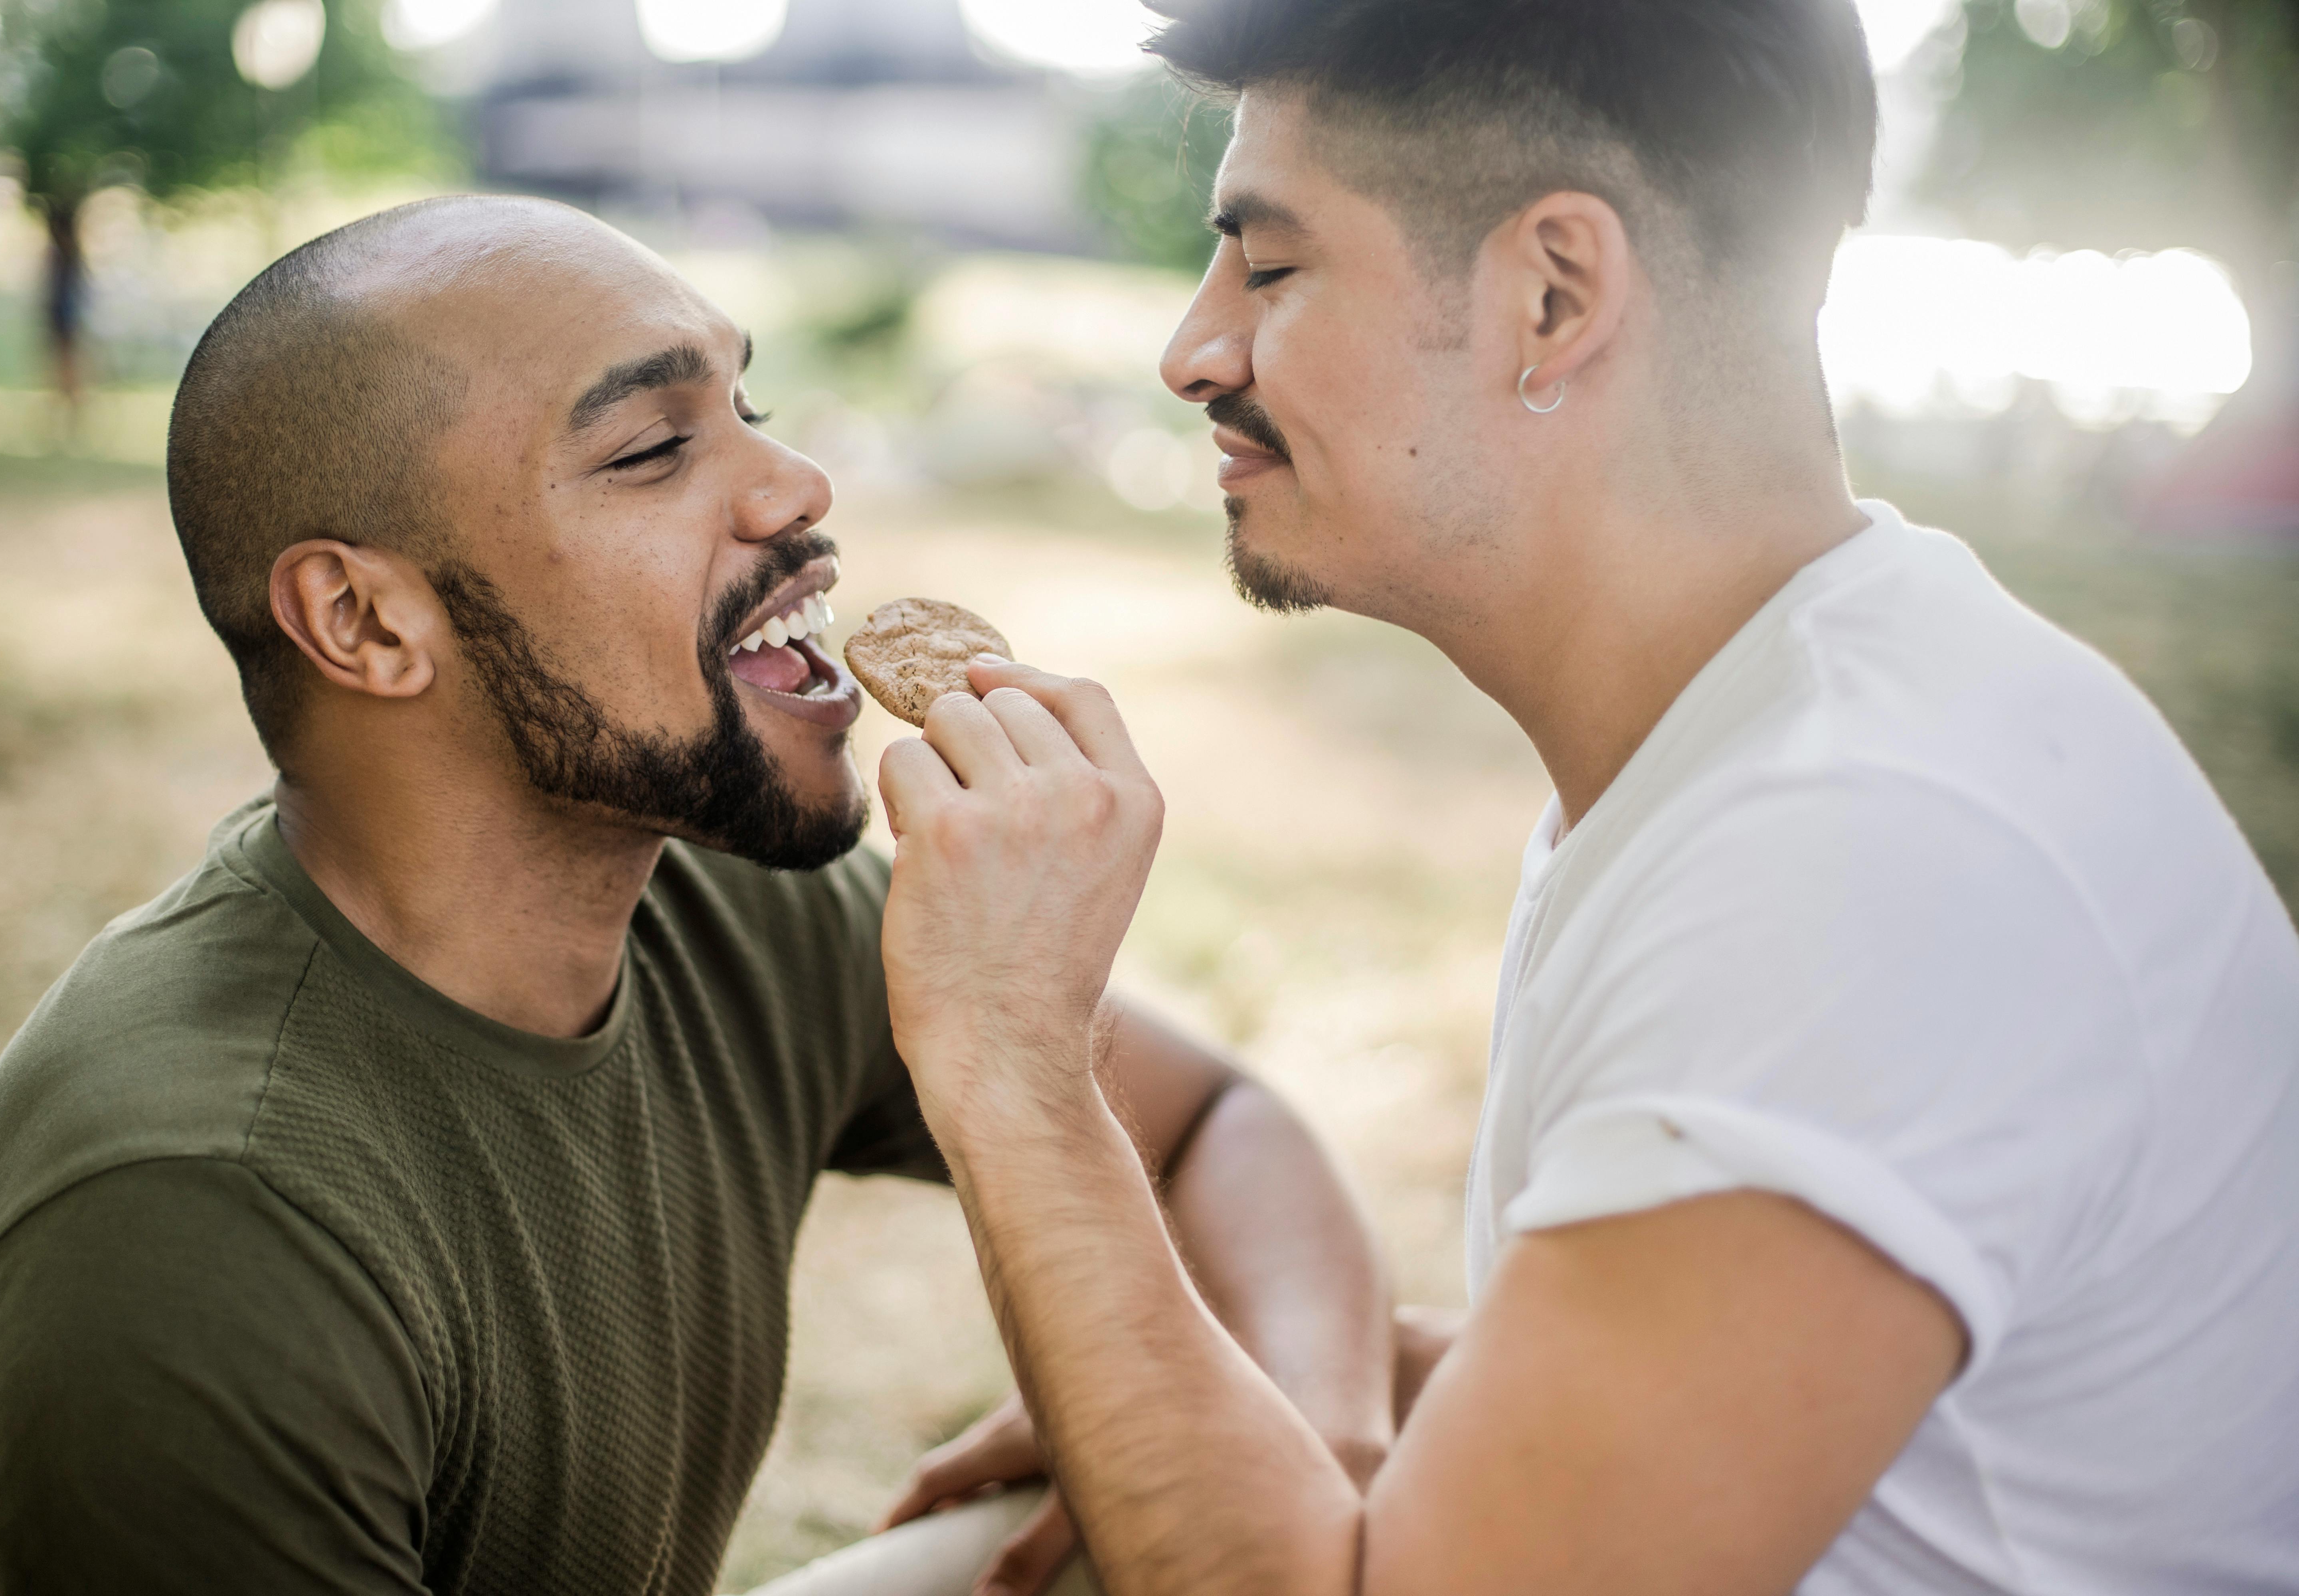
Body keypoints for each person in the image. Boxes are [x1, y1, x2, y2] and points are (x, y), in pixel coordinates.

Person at [863, 1, 2299, 1593]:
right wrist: (1285, 1395)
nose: (1193, 350)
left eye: (1267, 266)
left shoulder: (1867, 857)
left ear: (1552, 296)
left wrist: (1008, 1061)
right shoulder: (1788, 740)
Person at [0, 196, 1397, 1594]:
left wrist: (1275, 1440)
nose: (799, 487)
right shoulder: (199, 1227)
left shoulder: (712, 903)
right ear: (364, 620)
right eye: (649, 452)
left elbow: (1219, 1125)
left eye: (745, 408)